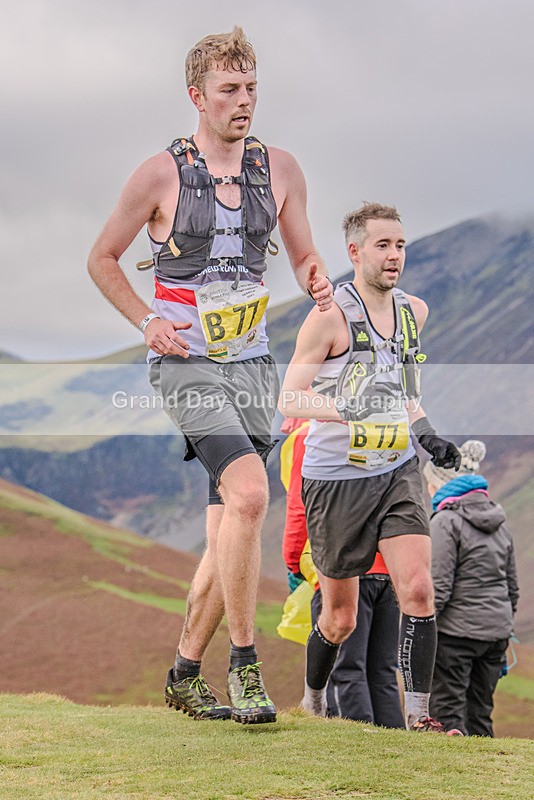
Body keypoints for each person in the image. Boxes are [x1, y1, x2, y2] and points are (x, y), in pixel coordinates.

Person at [87, 27, 333, 725]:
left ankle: (184, 672)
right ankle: (247, 668)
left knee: (233, 523)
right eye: (230, 89)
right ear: (197, 96)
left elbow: (304, 253)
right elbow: (102, 257)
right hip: (185, 364)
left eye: (252, 87)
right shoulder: (160, 174)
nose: (244, 101)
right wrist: (146, 321)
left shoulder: (280, 169)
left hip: (252, 361)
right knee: (253, 497)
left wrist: (315, 279)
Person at [279, 202, 463, 734]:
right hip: (336, 480)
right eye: (383, 246)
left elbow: (404, 389)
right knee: (340, 619)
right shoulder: (328, 318)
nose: (394, 256)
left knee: (419, 590)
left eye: (401, 245)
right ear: (354, 252)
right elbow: (290, 400)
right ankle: (313, 701)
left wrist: (426, 432)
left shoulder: (414, 313)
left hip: (397, 471)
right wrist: (348, 409)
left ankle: (420, 719)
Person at [280, 417, 404, 727]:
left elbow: (300, 506)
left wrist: (294, 560)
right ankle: (396, 749)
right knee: (382, 671)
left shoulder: (309, 436)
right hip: (386, 566)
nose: (284, 422)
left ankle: (358, 746)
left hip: (341, 564)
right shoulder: (371, 428)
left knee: (346, 666)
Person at [425, 440, 519, 736]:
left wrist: (422, 629)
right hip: (496, 634)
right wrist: (499, 622)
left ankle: (449, 776)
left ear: (441, 483)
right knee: (480, 711)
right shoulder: (499, 523)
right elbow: (511, 587)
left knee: (447, 712)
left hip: (456, 635)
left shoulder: (446, 521)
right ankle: (487, 773)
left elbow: (438, 587)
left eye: (430, 483)